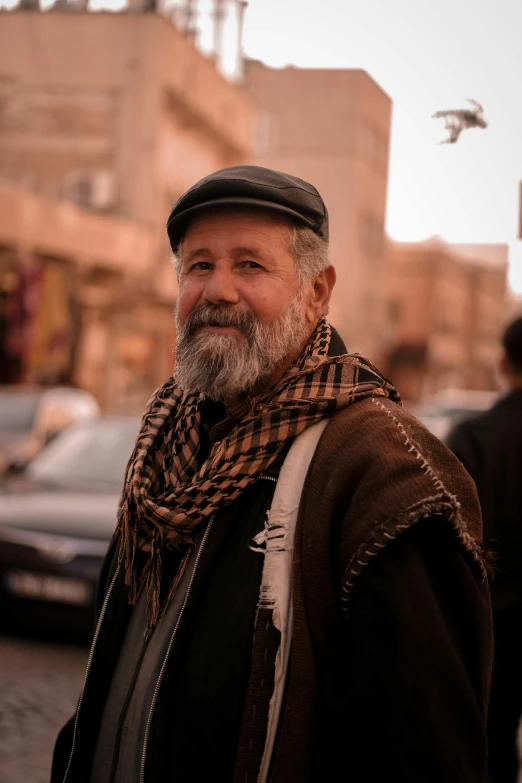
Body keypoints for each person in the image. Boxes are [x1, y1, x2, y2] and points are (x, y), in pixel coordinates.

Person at [52, 165, 491, 783]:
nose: (217, 290)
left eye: (249, 266)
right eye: (199, 266)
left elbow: (424, 752)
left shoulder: (380, 472)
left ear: (317, 292)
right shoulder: (162, 450)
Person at [447, 316, 522, 783]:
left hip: (496, 620)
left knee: (490, 741)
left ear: (501, 363)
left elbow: (453, 539)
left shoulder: (474, 437)